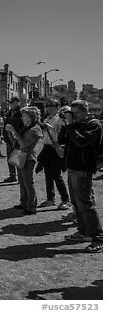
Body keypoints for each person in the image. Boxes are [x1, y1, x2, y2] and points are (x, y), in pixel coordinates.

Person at [58, 100, 103, 253]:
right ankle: (83, 231)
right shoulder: (74, 124)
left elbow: (81, 141)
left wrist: (71, 125)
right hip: (73, 167)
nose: (74, 116)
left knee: (85, 203)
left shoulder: (94, 124)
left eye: (76, 113)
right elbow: (62, 140)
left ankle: (98, 238)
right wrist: (66, 124)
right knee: (76, 203)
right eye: (72, 113)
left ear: (85, 111)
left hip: (84, 169)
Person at [5, 106, 43, 215]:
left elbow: (25, 145)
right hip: (21, 155)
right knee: (22, 181)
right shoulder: (26, 127)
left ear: (31, 117)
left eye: (24, 115)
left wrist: (13, 131)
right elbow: (16, 143)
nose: (22, 117)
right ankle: (24, 202)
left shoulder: (34, 129)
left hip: (28, 157)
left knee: (28, 182)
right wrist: (10, 133)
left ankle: (31, 206)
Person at [38, 100, 71, 210]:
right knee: (48, 174)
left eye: (51, 106)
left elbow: (59, 133)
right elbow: (44, 134)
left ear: (57, 107)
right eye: (47, 105)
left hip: (55, 147)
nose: (49, 108)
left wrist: (48, 127)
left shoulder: (60, 120)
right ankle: (50, 198)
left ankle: (66, 199)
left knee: (57, 175)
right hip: (47, 147)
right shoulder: (47, 119)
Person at [3, 97, 23, 182]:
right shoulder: (9, 113)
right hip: (8, 139)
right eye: (10, 103)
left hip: (18, 139)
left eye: (12, 102)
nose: (10, 104)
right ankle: (12, 175)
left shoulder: (21, 113)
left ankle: (21, 177)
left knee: (18, 159)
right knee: (10, 159)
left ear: (18, 102)